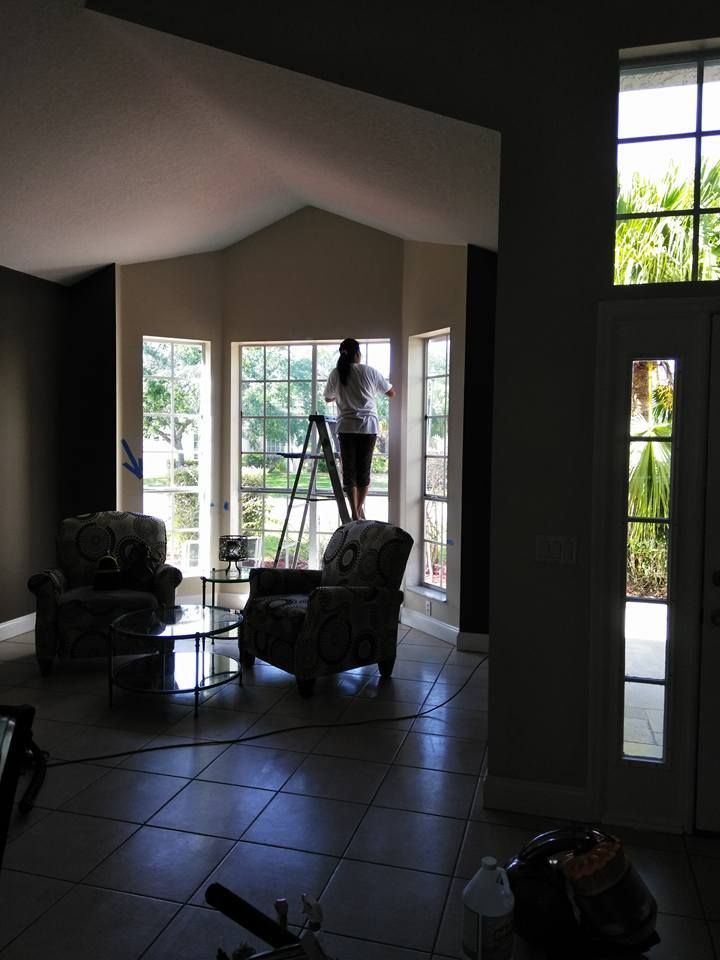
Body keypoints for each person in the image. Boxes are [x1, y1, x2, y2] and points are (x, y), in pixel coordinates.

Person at [324, 338, 395, 521]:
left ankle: (355, 513)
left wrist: (341, 394)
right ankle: (358, 509)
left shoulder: (336, 373)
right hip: (368, 427)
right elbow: (391, 393)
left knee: (349, 471)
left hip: (346, 426)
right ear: (357, 354)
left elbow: (328, 398)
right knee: (364, 470)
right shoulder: (369, 371)